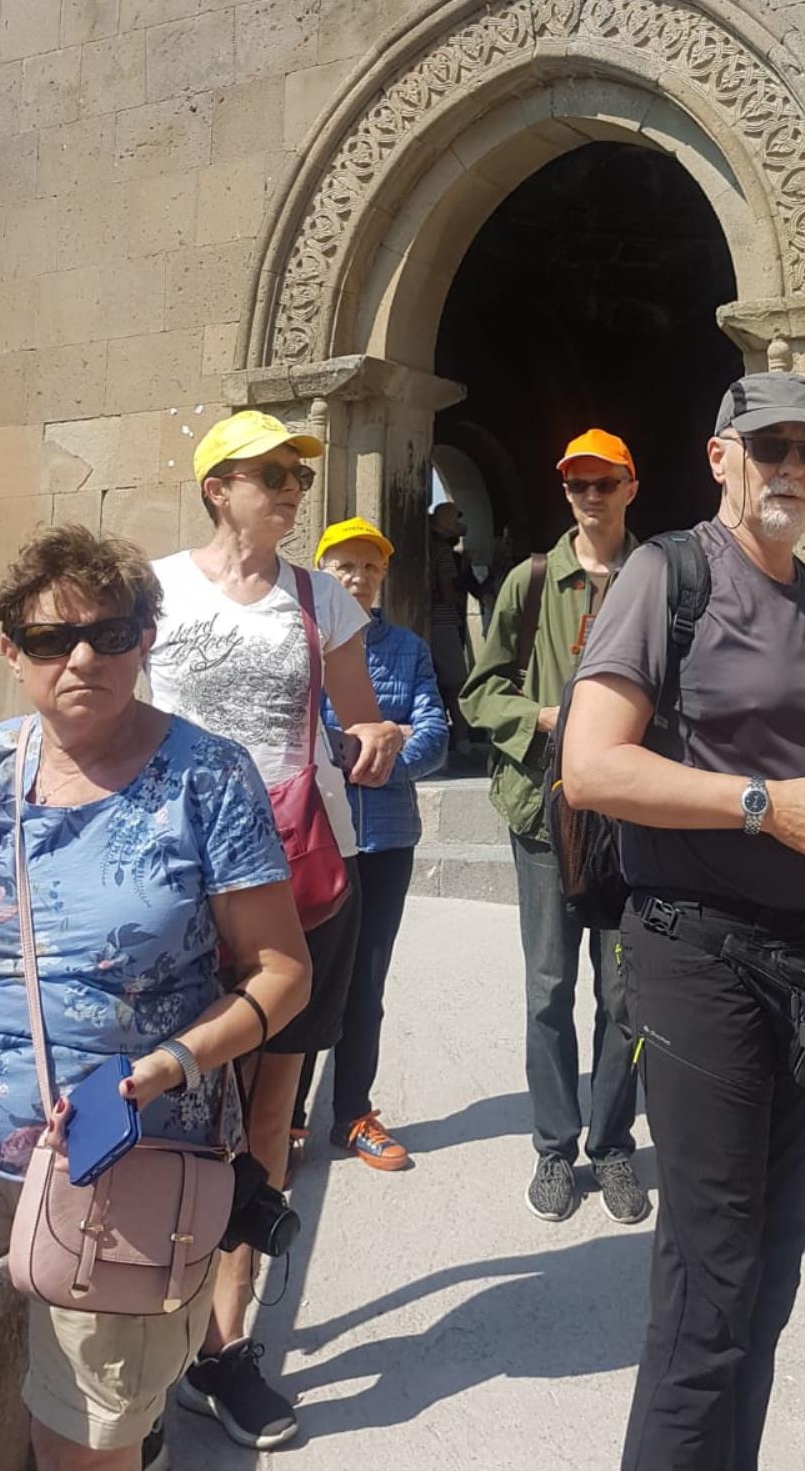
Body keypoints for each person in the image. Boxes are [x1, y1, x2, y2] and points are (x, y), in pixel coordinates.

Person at [561, 374, 805, 1471]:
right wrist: (765, 805)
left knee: (772, 1261)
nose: (792, 467)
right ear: (721, 456)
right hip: (697, 949)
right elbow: (590, 766)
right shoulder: (670, 575)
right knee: (710, 1277)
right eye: (771, 446)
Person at [0, 525, 310, 1471]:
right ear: (12, 651)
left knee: (84, 1444)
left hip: (126, 1163)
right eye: (50, 638)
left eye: (109, 634)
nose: (81, 658)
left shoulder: (206, 776)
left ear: (145, 640)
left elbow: (281, 971)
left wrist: (175, 1063)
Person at [146, 411, 402, 1451]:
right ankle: (142, 1349)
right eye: (271, 474)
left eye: (299, 474)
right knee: (164, 1111)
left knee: (268, 1115)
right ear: (218, 487)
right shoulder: (154, 591)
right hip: (176, 882)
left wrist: (376, 736)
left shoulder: (320, 596)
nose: (293, 489)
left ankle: (224, 1347)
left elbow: (361, 716)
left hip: (301, 878)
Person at [461, 429, 646, 1225]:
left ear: (630, 487)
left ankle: (613, 1145)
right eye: (578, 485)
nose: (591, 496)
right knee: (548, 986)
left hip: (631, 814)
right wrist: (542, 718)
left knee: (625, 991)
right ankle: (553, 1148)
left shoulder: (656, 577)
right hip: (545, 811)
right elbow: (480, 691)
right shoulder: (531, 581)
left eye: (604, 483)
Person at [291, 518, 448, 1172]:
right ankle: (284, 1117)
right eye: (345, 566)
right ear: (322, 571)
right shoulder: (297, 642)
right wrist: (376, 737)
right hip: (314, 835)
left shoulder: (406, 648)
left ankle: (352, 1111)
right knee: (298, 976)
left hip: (385, 837)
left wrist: (385, 758)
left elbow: (434, 733)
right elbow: (298, 731)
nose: (358, 578)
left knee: (367, 980)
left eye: (371, 566)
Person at [428, 500, 474, 754]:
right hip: (443, 622)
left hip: (430, 621)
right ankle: (462, 737)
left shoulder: (428, 549)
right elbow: (448, 593)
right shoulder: (443, 553)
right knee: (456, 682)